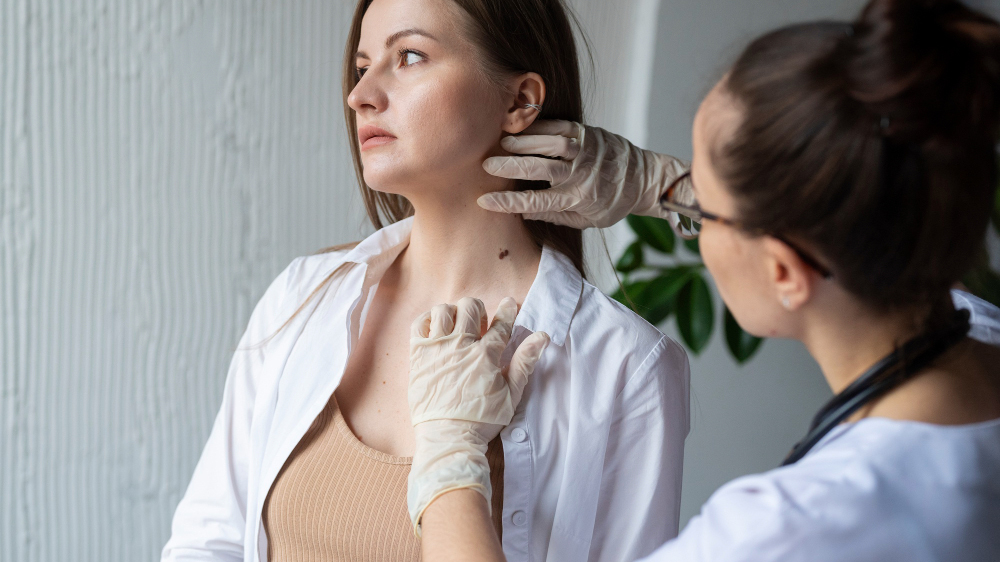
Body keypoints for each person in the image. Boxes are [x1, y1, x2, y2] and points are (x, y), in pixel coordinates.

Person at [403, 0, 1000, 560]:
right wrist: (664, 188)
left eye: (703, 210)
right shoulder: (980, 335)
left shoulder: (783, 531)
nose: (687, 220)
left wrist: (449, 460)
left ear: (783, 272)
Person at [161, 0, 690, 561]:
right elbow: (207, 543)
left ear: (519, 100)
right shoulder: (301, 298)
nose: (360, 94)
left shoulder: (627, 367)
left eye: (409, 56)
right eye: (363, 66)